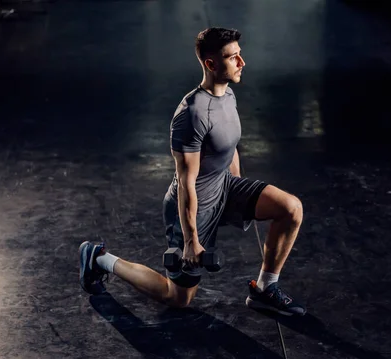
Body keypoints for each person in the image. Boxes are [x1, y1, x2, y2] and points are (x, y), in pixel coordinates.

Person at [79, 27, 306, 317]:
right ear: (211, 64)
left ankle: (264, 290)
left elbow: (229, 147)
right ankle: (99, 259)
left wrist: (237, 192)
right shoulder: (191, 114)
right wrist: (190, 241)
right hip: (192, 206)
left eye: (240, 54)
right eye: (232, 57)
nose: (242, 62)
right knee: (177, 298)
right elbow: (187, 183)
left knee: (291, 208)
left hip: (224, 187)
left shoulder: (229, 96)